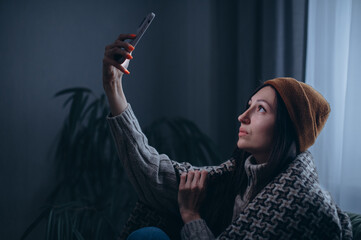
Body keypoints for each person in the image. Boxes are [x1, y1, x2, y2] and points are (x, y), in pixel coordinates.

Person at [103, 34, 353, 239]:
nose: (242, 116)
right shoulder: (235, 177)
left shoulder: (304, 204)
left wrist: (191, 216)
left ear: (288, 129)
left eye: (261, 109)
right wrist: (114, 86)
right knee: (149, 235)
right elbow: (155, 177)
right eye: (249, 105)